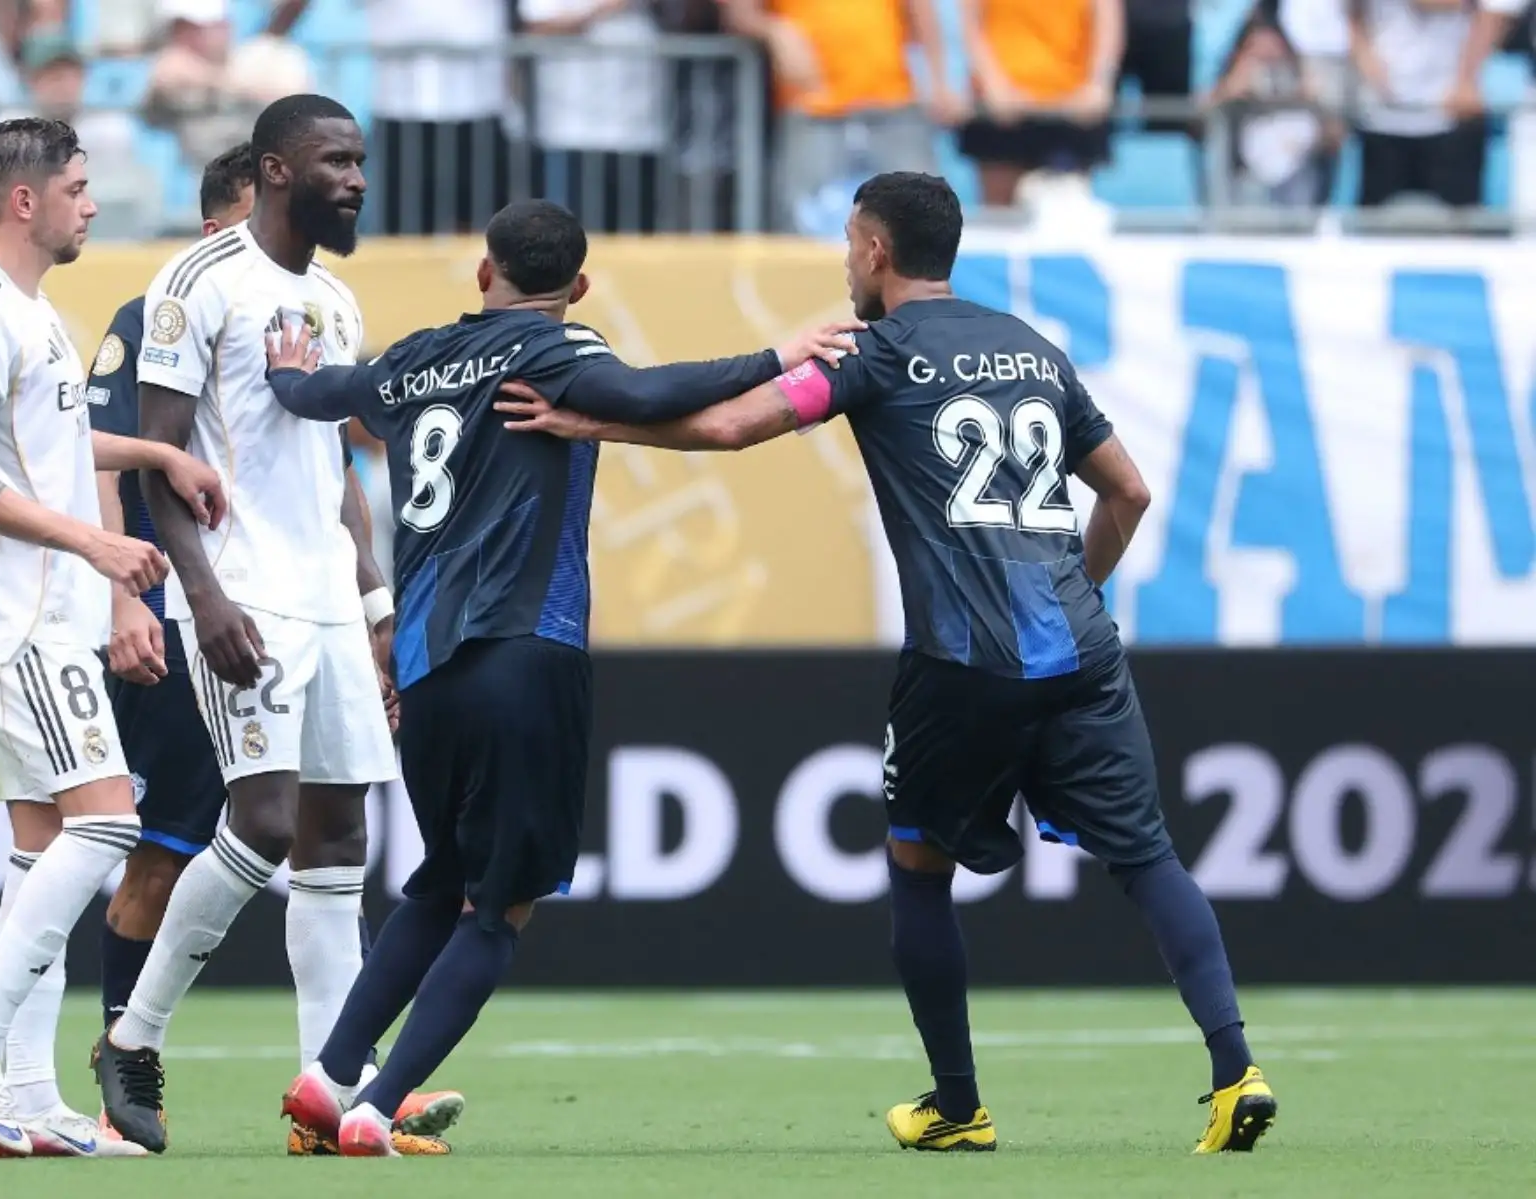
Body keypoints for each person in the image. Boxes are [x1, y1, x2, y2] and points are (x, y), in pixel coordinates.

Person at [491, 172, 1278, 1156]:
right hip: (1080, 646)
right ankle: (1234, 1067)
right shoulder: (1033, 348)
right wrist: (1077, 590)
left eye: (849, 244)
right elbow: (1129, 493)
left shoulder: (875, 351)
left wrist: (587, 422)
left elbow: (735, 424)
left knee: (918, 869)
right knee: (1150, 856)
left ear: (873, 251)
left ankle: (957, 1102)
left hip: (960, 660)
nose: (845, 263)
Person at [262, 197, 862, 1156]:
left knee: (439, 880)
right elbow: (658, 393)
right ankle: (377, 1107)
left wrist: (290, 376)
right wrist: (779, 353)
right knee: (499, 908)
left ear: (482, 272)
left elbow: (328, 395)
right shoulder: (558, 351)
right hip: (523, 652)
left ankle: (328, 1074)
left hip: (424, 669)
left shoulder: (415, 356)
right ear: (577, 287)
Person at [85, 140, 463, 1157]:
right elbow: (162, 451)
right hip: (242, 592)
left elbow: (337, 462)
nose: (359, 179)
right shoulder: (194, 279)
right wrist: (199, 593)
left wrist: (375, 601)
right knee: (258, 821)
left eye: (363, 160)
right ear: (281, 169)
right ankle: (132, 1033)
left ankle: (326, 1091)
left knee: (339, 840)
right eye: (339, 160)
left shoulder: (335, 297)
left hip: (328, 599)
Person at [0, 116, 225, 1159]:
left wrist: (154, 454)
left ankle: (33, 1090)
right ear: (24, 200)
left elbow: (48, 437)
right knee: (107, 827)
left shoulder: (33, 313)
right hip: (17, 618)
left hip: (35, 614)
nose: (92, 204)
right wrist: (94, 542)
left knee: (41, 848)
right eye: (79, 188)